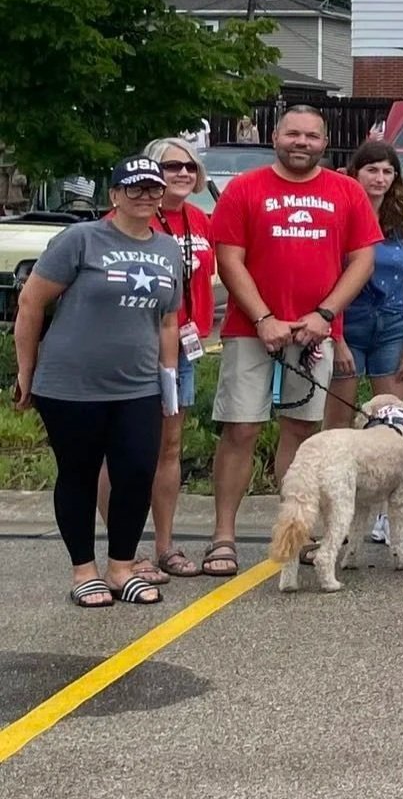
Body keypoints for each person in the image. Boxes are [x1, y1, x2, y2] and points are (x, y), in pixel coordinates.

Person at [203, 107, 379, 576]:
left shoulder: (347, 192)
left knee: (301, 433)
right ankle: (224, 536)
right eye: (293, 133)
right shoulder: (246, 188)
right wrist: (262, 317)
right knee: (241, 428)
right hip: (252, 329)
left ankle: (295, 530)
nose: (301, 142)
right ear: (276, 136)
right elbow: (229, 260)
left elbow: (362, 260)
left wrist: (325, 315)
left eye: (311, 136)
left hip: (314, 331)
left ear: (325, 142)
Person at [13, 156, 183, 607]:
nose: (145, 196)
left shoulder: (168, 249)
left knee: (135, 473)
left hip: (138, 386)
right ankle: (83, 570)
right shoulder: (81, 240)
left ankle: (121, 567)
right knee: (79, 474)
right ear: (114, 195)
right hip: (71, 384)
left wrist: (169, 383)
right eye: (134, 188)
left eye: (152, 189)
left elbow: (168, 321)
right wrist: (25, 372)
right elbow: (31, 304)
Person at [326, 141, 403, 545]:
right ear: (356, 173)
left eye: (387, 171)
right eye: (372, 170)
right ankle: (334, 517)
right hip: (348, 323)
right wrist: (336, 338)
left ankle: (389, 518)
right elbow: (328, 277)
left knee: (391, 426)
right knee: (339, 425)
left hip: (393, 323)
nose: (379, 179)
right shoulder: (340, 214)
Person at [130, 137, 215, 580]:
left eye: (189, 166)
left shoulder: (199, 219)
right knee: (126, 450)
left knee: (170, 447)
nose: (182, 173)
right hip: (138, 346)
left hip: (184, 346)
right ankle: (124, 549)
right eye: (170, 167)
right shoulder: (134, 217)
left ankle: (164, 545)